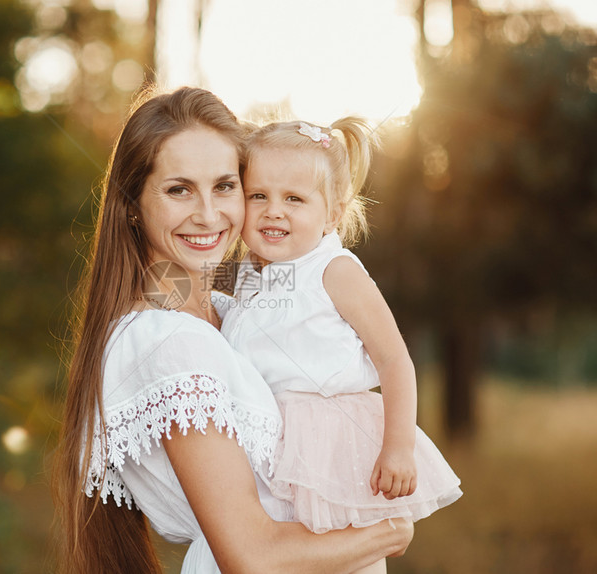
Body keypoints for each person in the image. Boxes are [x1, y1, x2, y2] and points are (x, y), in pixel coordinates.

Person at [51, 87, 413, 574]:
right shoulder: (168, 344)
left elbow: (195, 281)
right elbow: (253, 556)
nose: (208, 213)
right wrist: (388, 532)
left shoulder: (228, 301)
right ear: (131, 203)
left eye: (225, 186)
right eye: (179, 189)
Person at [219, 118, 463, 573]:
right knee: (276, 548)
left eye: (294, 198)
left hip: (332, 446)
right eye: (259, 196)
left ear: (331, 214)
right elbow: (182, 287)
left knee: (341, 559)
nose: (274, 210)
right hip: (269, 444)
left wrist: (398, 446)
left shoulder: (335, 270)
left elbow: (394, 360)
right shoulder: (253, 272)